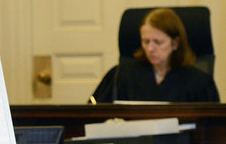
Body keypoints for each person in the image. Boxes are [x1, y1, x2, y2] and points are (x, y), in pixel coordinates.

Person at [90, 8, 220, 103]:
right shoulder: (120, 75)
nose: (150, 48)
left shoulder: (200, 82)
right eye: (146, 41)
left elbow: (214, 128)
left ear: (175, 43)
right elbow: (91, 115)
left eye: (158, 42)